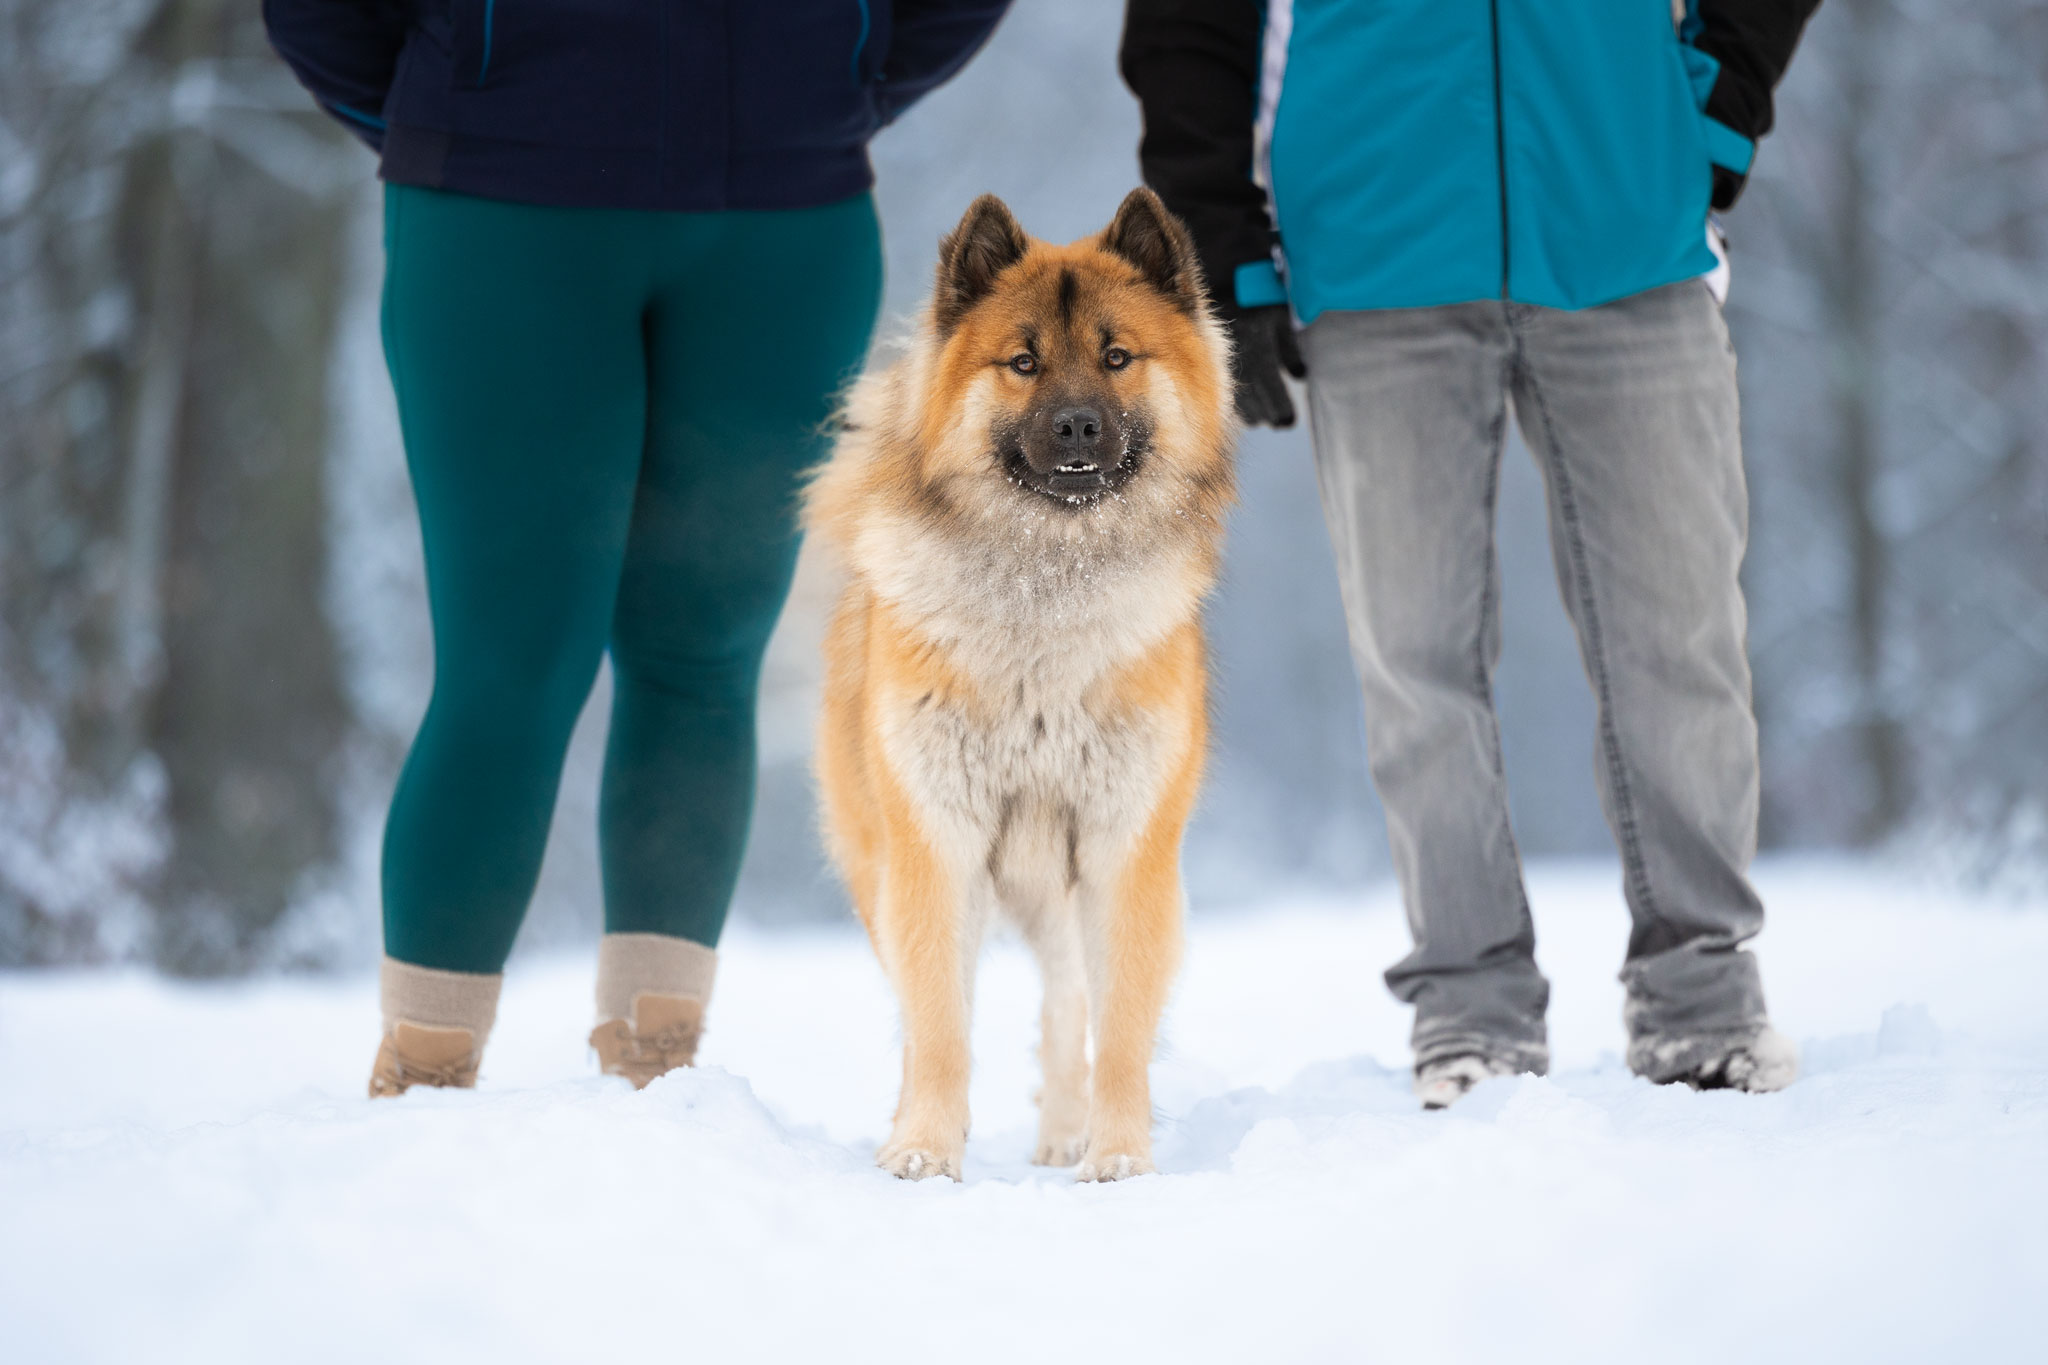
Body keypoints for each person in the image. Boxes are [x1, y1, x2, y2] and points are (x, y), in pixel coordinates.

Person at [265, 0, 1010, 1096]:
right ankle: (423, 1075)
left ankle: (654, 1069)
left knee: (706, 654)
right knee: (509, 663)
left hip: (780, 220)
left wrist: (826, 80)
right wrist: (465, 97)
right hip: (499, 208)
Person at [1122, 0, 1821, 1106]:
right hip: (1374, 236)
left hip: (1624, 221)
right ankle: (1470, 1012)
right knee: (1413, 661)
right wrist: (1215, 250)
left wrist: (1717, 106)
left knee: (1677, 639)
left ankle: (1701, 998)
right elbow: (1185, 20)